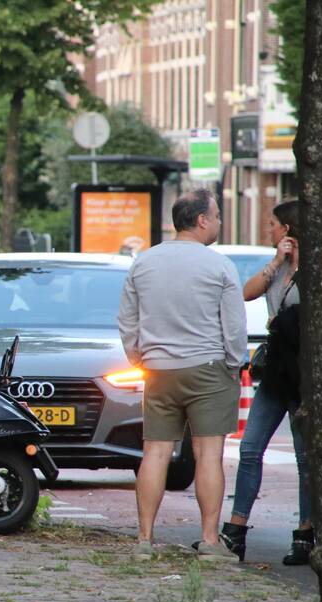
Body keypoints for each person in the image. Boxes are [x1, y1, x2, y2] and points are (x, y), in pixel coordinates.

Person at [117, 189, 246, 562]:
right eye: (217, 216)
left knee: (155, 452)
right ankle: (209, 540)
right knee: (208, 453)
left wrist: (139, 356)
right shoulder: (219, 265)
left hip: (159, 369)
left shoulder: (144, 262)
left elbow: (127, 319)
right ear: (202, 220)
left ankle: (144, 539)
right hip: (208, 368)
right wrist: (233, 363)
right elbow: (233, 326)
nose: (219, 222)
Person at [222, 199, 309, 563]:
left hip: (303, 374)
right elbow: (247, 292)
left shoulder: (315, 270)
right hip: (275, 373)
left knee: (306, 458)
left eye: (272, 224)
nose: (268, 230)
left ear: (287, 230)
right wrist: (276, 261)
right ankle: (236, 530)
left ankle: (305, 535)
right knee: (250, 448)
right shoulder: (278, 268)